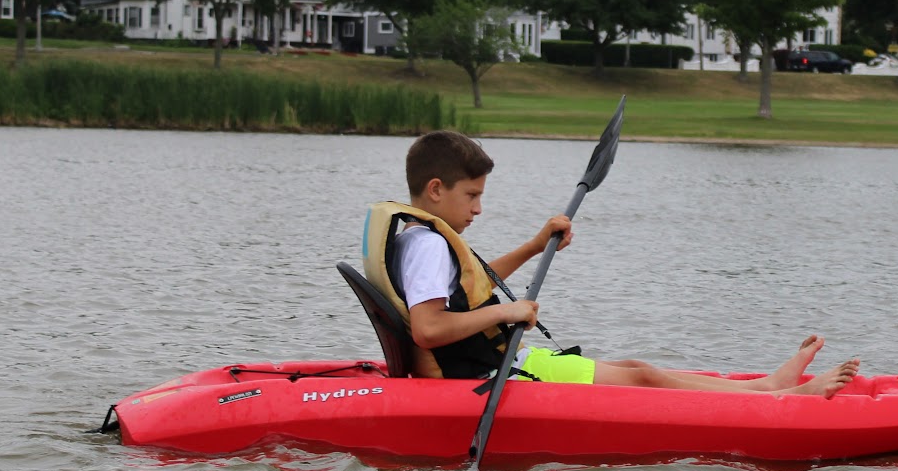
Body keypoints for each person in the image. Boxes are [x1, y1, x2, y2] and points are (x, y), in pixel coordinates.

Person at [362, 129, 858, 396]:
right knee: (642, 378)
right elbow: (429, 329)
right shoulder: (426, 243)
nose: (477, 208)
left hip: (502, 365)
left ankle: (765, 389)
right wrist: (505, 313)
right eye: (471, 196)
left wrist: (536, 246)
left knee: (636, 369)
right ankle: (777, 400)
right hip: (491, 382)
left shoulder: (417, 238)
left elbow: (464, 289)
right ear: (435, 190)